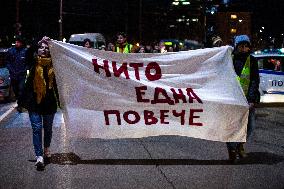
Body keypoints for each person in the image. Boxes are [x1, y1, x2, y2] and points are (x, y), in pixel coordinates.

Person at [22, 36, 60, 170]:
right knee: (37, 129)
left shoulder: (54, 64)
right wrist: (37, 42)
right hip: (34, 102)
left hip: (49, 103)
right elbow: (27, 53)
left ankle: (46, 148)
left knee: (48, 129)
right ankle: (39, 156)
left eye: (46, 48)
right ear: (37, 49)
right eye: (41, 47)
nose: (43, 50)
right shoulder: (33, 63)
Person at [226, 35, 260, 163]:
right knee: (230, 126)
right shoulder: (230, 59)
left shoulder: (252, 61)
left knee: (249, 126)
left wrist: (251, 99)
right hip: (232, 99)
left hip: (247, 100)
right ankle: (232, 150)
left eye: (246, 46)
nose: (244, 48)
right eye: (241, 46)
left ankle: (239, 145)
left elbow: (254, 81)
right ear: (236, 46)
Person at [5, 36, 29, 112]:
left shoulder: (25, 51)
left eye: (18, 42)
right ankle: (20, 101)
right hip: (13, 74)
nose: (16, 43)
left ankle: (20, 104)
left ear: (21, 43)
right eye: (16, 42)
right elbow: (7, 62)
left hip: (22, 74)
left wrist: (25, 70)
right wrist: (10, 69)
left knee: (21, 89)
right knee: (15, 90)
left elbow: (28, 63)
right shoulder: (11, 51)